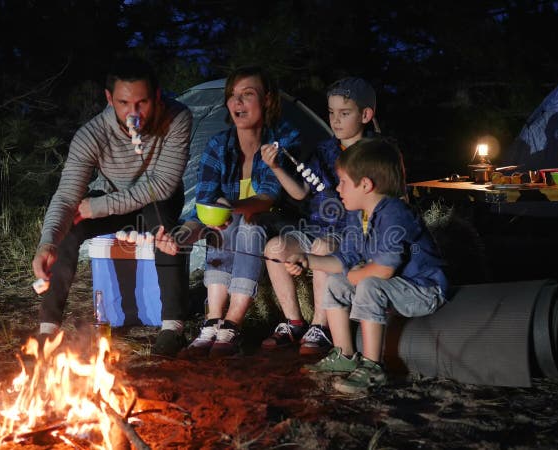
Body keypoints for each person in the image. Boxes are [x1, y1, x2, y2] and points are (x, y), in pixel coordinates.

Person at [31, 56, 192, 357]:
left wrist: (99, 206)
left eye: (142, 103)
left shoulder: (177, 118)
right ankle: (47, 329)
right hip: (115, 199)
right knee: (71, 225)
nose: (134, 113)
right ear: (109, 99)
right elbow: (67, 195)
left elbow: (163, 184)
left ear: (156, 96)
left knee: (163, 226)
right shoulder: (91, 135)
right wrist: (47, 241)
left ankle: (173, 326)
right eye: (123, 103)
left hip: (158, 201)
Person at [285, 138, 449, 394]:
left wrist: (355, 276)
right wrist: (307, 261)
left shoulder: (395, 214)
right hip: (393, 288)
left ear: (365, 185)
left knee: (368, 284)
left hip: (423, 290)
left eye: (343, 182)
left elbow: (384, 270)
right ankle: (344, 354)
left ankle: (373, 366)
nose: (338, 188)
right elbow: (344, 259)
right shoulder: (357, 215)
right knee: (334, 282)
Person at [166, 66, 300, 358]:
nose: (237, 103)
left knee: (247, 223)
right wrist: (185, 232)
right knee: (220, 226)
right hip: (230, 224)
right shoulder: (219, 145)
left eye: (247, 95)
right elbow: (204, 200)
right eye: (232, 96)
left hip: (275, 222)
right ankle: (213, 319)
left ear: (267, 100)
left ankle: (233, 323)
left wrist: (232, 208)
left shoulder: (281, 141)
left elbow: (268, 196)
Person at [260, 77, 379, 355]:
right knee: (274, 247)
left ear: (366, 115)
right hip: (316, 226)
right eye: (331, 113)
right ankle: (294, 321)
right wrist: (277, 167)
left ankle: (321, 326)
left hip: (352, 233)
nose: (335, 120)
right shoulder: (325, 149)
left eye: (344, 113)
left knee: (323, 248)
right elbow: (302, 191)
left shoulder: (377, 152)